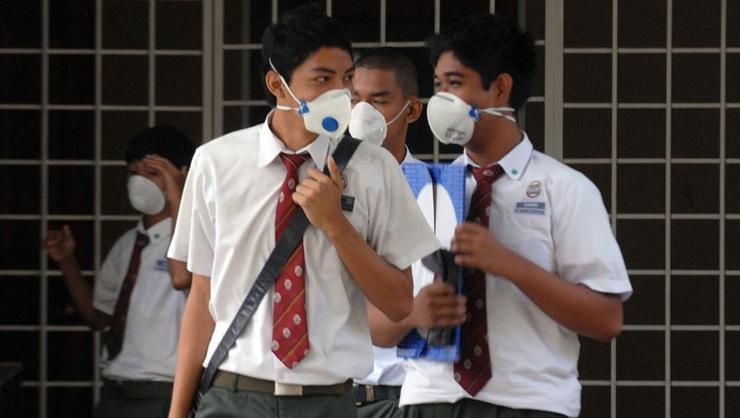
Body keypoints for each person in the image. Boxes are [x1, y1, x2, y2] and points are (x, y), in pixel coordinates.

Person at [165, 5, 439, 418]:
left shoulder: (373, 168)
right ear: (277, 84)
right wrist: (177, 411)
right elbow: (202, 298)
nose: (340, 94)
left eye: (345, 79)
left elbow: (399, 302)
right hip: (233, 395)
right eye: (323, 79)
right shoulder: (216, 162)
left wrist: (335, 224)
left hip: (327, 399)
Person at [397, 14, 633, 418]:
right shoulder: (424, 188)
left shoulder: (565, 189)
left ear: (500, 87)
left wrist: (509, 264)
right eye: (437, 86)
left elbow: (606, 320)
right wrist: (413, 314)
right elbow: (379, 315)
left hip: (527, 403)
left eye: (455, 83)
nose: (442, 100)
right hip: (429, 399)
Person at [43, 126, 195, 418]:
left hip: (164, 393)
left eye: (153, 173)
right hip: (116, 391)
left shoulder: (194, 240)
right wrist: (66, 261)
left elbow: (183, 277)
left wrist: (180, 195)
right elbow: (99, 317)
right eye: (133, 173)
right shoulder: (129, 243)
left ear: (182, 175)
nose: (140, 182)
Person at [349, 48, 467, 418]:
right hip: (332, 396)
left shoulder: (437, 194)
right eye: (354, 100)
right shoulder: (320, 186)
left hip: (407, 396)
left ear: (412, 110)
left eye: (378, 101)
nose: (361, 113)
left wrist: (413, 315)